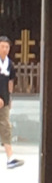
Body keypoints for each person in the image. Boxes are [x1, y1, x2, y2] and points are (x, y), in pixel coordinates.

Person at [0, 36, 23, 169]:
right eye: (2, 46)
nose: (5, 49)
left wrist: (9, 98)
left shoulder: (9, 64)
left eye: (7, 47)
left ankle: (10, 157)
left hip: (4, 101)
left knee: (5, 126)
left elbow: (10, 81)